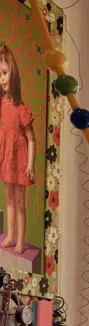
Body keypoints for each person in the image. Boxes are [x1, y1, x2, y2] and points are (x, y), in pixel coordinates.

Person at [0, 43, 35, 256]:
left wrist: (30, 164)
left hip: (20, 160)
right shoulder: (2, 105)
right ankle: (11, 235)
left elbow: (31, 139)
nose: (2, 79)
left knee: (20, 202)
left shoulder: (22, 109)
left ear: (13, 73)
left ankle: (20, 239)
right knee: (9, 199)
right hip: (6, 159)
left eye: (4, 73)